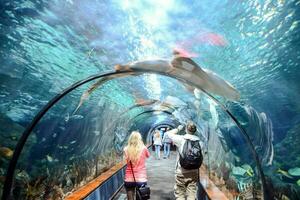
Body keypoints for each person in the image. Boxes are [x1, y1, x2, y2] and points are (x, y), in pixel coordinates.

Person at [165, 121, 203, 200]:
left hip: (181, 171)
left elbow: (168, 134)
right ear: (195, 131)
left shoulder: (181, 139)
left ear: (186, 129)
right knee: (192, 193)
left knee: (180, 193)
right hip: (194, 171)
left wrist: (178, 129)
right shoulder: (200, 142)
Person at [124, 131, 150, 200]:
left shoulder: (126, 149)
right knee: (141, 198)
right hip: (141, 178)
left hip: (129, 178)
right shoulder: (143, 148)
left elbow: (127, 160)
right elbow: (148, 155)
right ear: (140, 139)